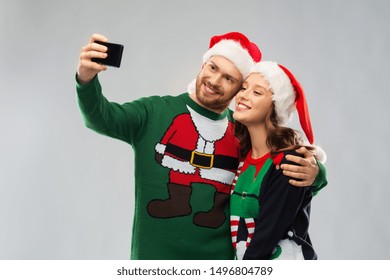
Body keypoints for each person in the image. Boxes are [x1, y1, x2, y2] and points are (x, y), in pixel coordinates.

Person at [76, 32, 327, 260]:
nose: (215, 81)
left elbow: (276, 170)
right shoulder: (154, 112)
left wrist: (316, 173)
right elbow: (100, 118)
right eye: (213, 67)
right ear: (203, 65)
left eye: (229, 78)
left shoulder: (241, 132)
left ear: (236, 90)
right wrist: (85, 79)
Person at [230, 61, 327, 260]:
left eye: (257, 93)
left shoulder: (290, 163)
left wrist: (318, 173)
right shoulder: (240, 156)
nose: (243, 95)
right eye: (243, 88)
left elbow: (265, 239)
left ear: (274, 107)